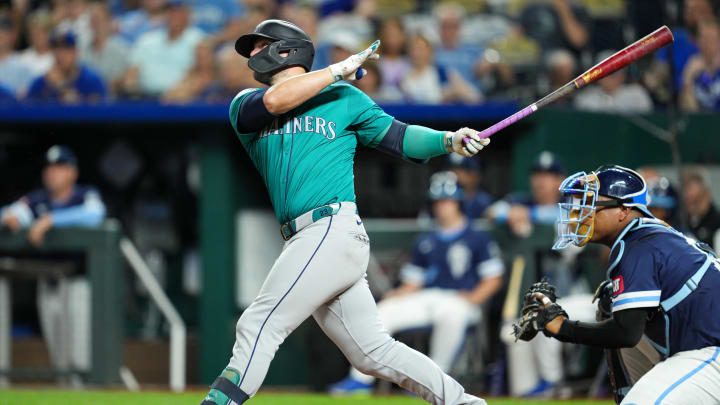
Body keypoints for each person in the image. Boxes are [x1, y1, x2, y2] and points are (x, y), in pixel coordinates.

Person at [200, 19, 491, 405]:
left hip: (331, 229)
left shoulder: (345, 98)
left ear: (286, 49)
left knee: (258, 324)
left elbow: (402, 138)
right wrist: (339, 68)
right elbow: (277, 101)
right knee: (371, 352)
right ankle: (464, 403)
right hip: (306, 239)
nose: (251, 55)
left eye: (258, 46)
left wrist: (449, 139)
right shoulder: (245, 105)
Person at [513, 165, 720, 404]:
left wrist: (563, 327)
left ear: (623, 209)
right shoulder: (645, 236)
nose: (582, 211)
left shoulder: (639, 243)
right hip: (700, 347)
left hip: (710, 351)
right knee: (610, 302)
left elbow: (626, 333)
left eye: (591, 203)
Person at [329, 171, 503, 395]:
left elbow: (493, 279)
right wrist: (396, 295)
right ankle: (361, 380)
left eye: (448, 201)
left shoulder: (477, 237)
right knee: (385, 310)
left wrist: (474, 298)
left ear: (458, 202)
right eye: (438, 201)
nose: (443, 206)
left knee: (452, 313)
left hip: (461, 300)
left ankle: (435, 381)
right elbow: (414, 282)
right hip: (428, 297)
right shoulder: (426, 239)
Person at [0, 145, 106, 375]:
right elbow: (12, 213)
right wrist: (11, 216)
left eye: (59, 167)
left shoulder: (84, 195)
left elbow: (96, 214)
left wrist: (51, 220)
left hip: (77, 283)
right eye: (49, 168)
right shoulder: (37, 200)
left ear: (72, 172)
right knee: (59, 361)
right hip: (48, 284)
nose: (52, 173)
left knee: (81, 357)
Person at [121, 0, 205, 98]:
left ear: (187, 15)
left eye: (178, 12)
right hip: (144, 97)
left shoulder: (197, 39)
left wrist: (183, 90)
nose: (174, 16)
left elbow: (202, 73)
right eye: (170, 12)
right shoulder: (147, 39)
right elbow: (132, 70)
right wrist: (130, 86)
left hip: (179, 98)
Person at [487, 151, 565, 238]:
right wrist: (509, 215)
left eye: (547, 175)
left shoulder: (570, 202)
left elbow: (570, 216)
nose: (540, 181)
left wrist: (529, 214)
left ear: (561, 180)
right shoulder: (519, 200)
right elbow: (491, 212)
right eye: (536, 174)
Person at [26, 31, 107, 103]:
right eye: (57, 49)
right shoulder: (41, 83)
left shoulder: (92, 81)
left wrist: (61, 86)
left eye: (66, 49)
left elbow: (97, 113)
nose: (61, 55)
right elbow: (28, 112)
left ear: (75, 53)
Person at [574, 50, 653, 113]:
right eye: (605, 74)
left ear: (623, 75)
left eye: (614, 74)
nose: (609, 78)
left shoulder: (637, 94)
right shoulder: (586, 97)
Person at [80, 2, 130, 96]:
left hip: (112, 101)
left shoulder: (122, 49)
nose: (95, 24)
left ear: (108, 21)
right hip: (83, 100)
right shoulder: (81, 47)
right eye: (92, 20)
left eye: (99, 20)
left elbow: (123, 79)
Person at [680, 20, 720, 111]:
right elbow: (687, 110)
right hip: (700, 122)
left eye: (711, 38)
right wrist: (688, 79)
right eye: (703, 38)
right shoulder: (693, 65)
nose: (706, 43)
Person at [682, 166, 720, 250]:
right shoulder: (685, 220)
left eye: (696, 200)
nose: (690, 205)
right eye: (687, 200)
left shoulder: (716, 225)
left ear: (707, 194)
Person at [445, 154, 493, 220]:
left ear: (475, 175)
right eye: (452, 170)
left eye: (462, 171)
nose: (456, 175)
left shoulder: (483, 201)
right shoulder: (443, 199)